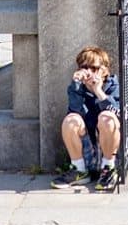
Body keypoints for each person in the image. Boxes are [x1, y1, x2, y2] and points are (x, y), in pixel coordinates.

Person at [51, 45, 120, 191]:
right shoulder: (77, 88)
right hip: (88, 148)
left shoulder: (113, 85)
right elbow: (74, 111)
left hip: (109, 151)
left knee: (107, 118)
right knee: (71, 120)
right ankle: (80, 170)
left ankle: (108, 169)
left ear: (104, 70)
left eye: (94, 68)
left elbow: (118, 115)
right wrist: (77, 86)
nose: (89, 73)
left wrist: (98, 91)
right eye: (84, 68)